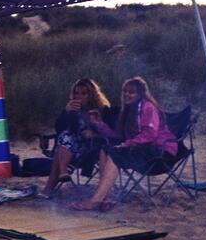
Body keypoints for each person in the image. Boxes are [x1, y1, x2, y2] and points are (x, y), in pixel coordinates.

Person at [72, 76, 177, 211]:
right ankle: (105, 198)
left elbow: (150, 134)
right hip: (142, 148)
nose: (127, 94)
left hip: (160, 151)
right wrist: (98, 123)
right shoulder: (128, 110)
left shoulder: (147, 107)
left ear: (140, 94)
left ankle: (95, 200)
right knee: (105, 149)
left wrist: (127, 144)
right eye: (125, 91)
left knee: (116, 154)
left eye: (131, 92)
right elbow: (119, 136)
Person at [40, 78, 115, 198]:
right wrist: (65, 112)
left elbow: (111, 134)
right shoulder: (72, 109)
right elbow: (60, 128)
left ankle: (50, 187)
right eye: (76, 93)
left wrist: (94, 133)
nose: (79, 96)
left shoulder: (103, 110)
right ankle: (63, 172)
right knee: (65, 137)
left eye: (84, 93)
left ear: (92, 95)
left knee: (61, 148)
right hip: (73, 146)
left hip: (94, 149)